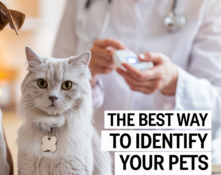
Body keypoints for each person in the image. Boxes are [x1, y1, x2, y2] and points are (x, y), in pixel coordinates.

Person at [53, 0, 221, 163]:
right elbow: (51, 93)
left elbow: (217, 104)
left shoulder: (207, 4)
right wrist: (81, 75)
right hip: (94, 161)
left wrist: (174, 83)